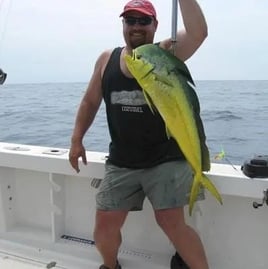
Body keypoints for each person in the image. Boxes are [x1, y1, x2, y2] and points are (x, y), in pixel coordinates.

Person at [69, 0, 209, 268]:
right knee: (104, 228)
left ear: (155, 25)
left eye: (143, 21)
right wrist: (77, 139)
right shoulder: (105, 60)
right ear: (123, 24)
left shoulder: (167, 53)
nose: (136, 26)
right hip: (122, 161)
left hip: (166, 159)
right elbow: (89, 102)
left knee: (170, 220)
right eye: (130, 20)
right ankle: (111, 266)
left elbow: (197, 33)